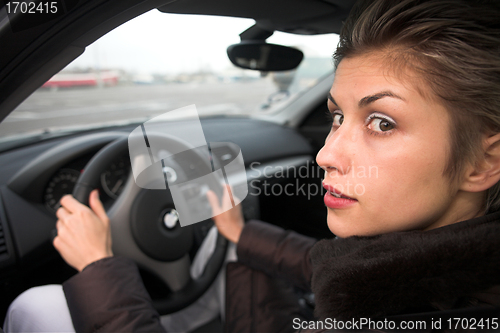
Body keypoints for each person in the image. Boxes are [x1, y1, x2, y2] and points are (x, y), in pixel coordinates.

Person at [4, 0, 500, 331]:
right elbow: (325, 264)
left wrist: (99, 265)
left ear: (485, 160)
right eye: (337, 117)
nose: (327, 155)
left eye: (383, 123)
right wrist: (241, 235)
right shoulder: (409, 271)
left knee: (36, 307)